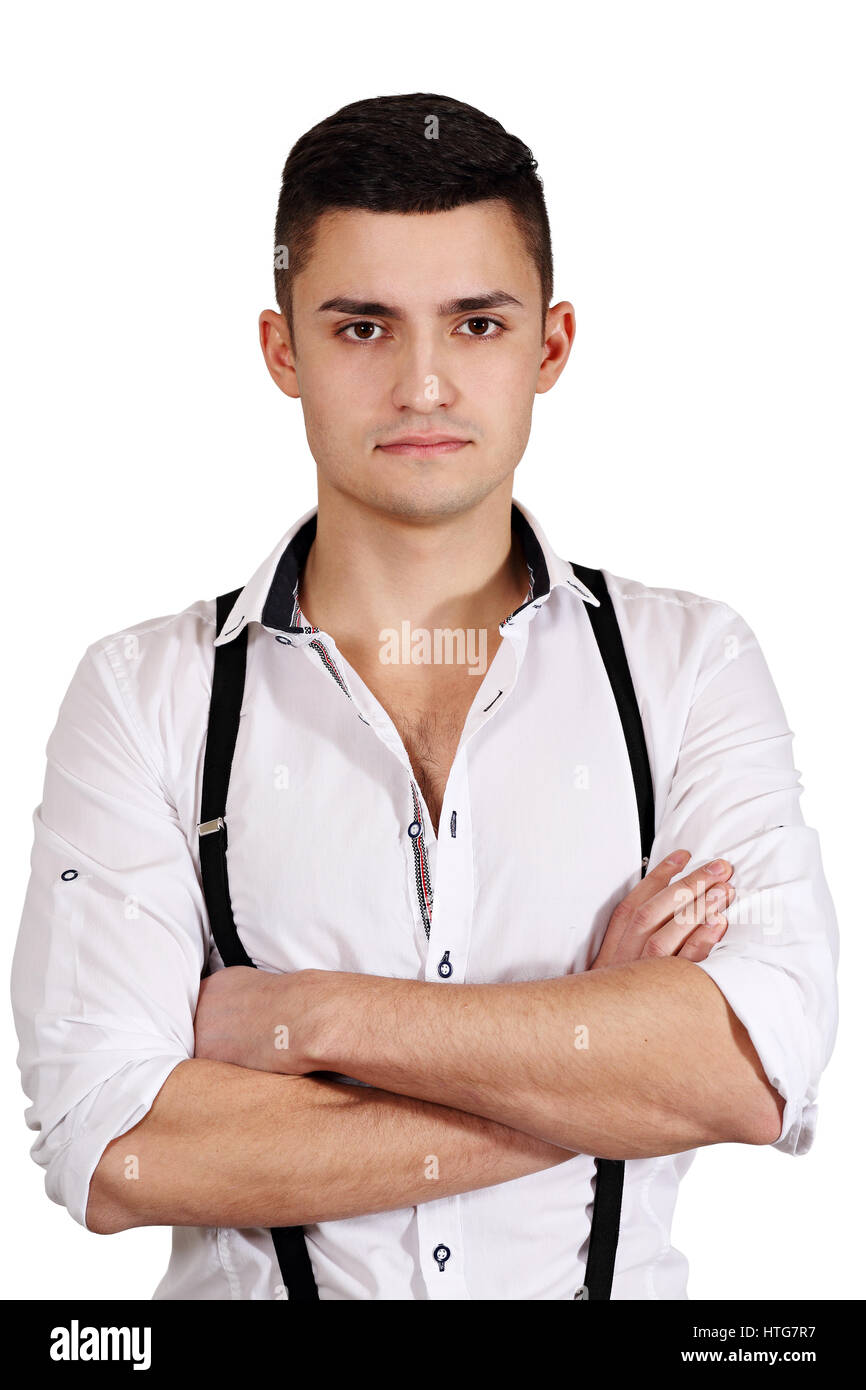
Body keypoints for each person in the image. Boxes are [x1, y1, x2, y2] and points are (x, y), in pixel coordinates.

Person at [12, 92, 839, 1301]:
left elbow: (747, 1071)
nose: (424, 384)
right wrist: (596, 1048)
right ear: (281, 347)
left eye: (475, 323)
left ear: (548, 345)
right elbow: (116, 1147)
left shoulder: (685, 664)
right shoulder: (147, 692)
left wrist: (313, 1017)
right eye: (360, 328)